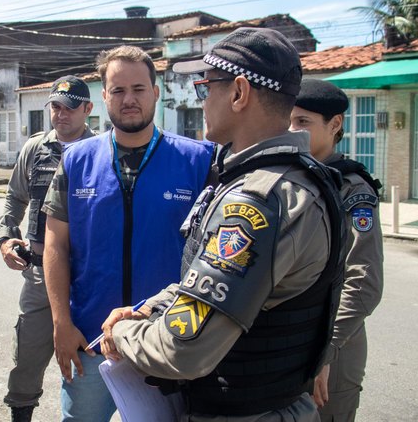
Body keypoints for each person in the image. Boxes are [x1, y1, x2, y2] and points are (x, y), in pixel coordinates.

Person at [100, 27, 346, 422]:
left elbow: (183, 350)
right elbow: (207, 288)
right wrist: (148, 310)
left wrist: (121, 335)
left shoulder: (256, 202)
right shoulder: (287, 179)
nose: (202, 101)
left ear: (238, 93)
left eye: (206, 87)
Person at [43, 45, 216, 421]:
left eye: (139, 89)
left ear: (156, 92)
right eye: (118, 91)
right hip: (88, 339)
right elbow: (55, 243)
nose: (129, 100)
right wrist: (61, 323)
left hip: (166, 340)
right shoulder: (76, 160)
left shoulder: (199, 160)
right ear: (103, 97)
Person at [0, 76, 95, 422]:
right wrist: (6, 238)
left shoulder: (101, 152)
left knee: (89, 364)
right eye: (55, 106)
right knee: (27, 358)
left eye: (69, 107)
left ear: (87, 109)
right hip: (39, 275)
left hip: (86, 278)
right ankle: (21, 414)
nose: (61, 114)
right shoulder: (35, 149)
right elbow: (14, 198)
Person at [290, 79, 385, 422]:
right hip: (289, 346)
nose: (293, 129)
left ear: (335, 125)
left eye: (303, 122)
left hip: (333, 351)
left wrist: (324, 351)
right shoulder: (292, 178)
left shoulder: (352, 189)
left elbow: (364, 282)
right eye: (289, 120)